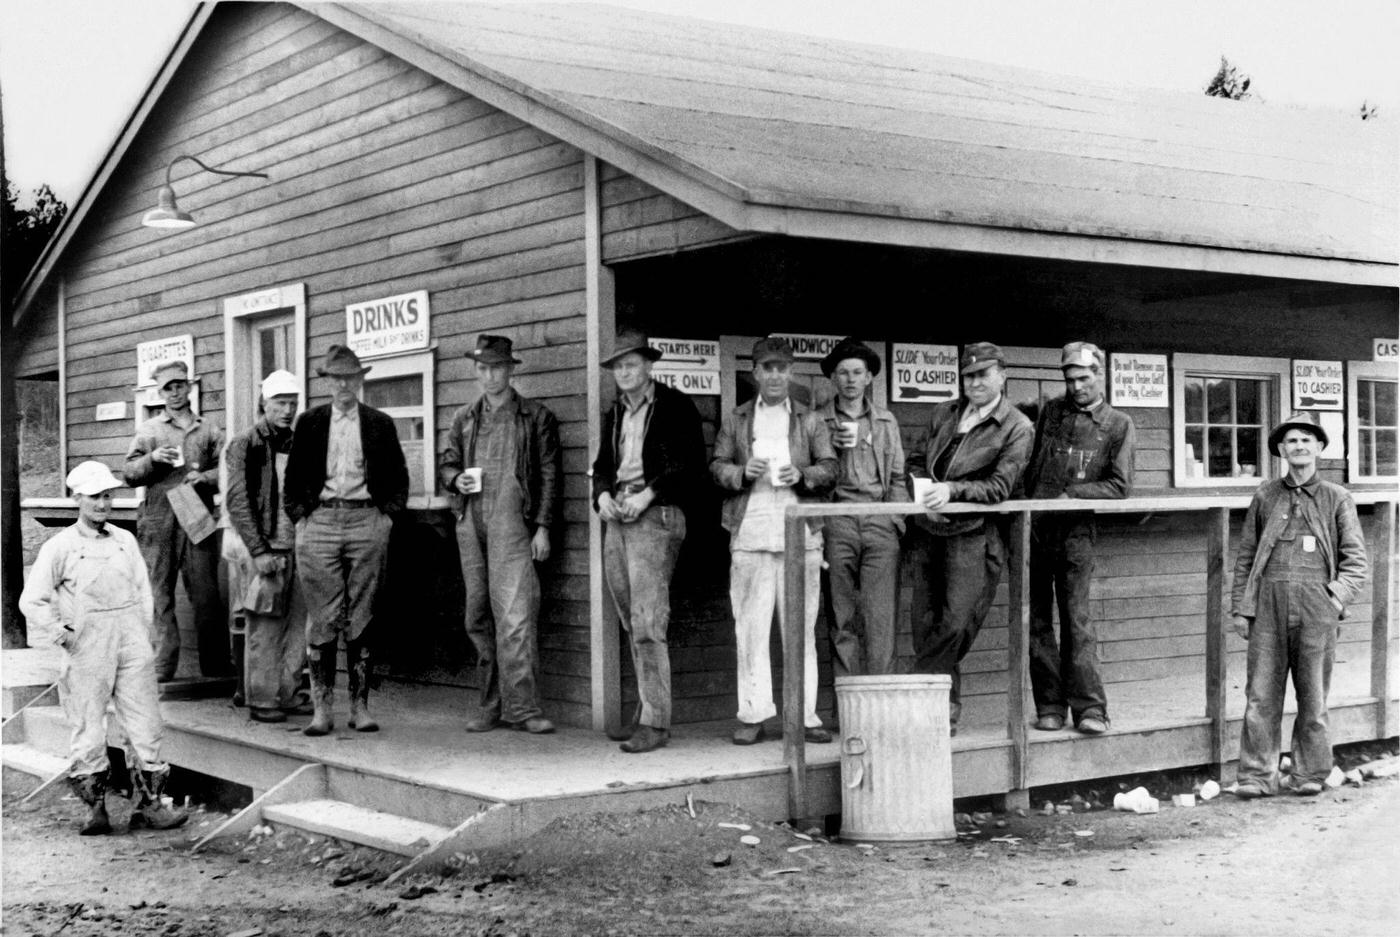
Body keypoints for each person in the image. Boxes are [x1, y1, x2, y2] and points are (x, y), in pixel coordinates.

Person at [19, 461, 189, 835]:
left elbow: (144, 592)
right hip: (88, 644)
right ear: (78, 498)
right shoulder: (60, 547)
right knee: (88, 725)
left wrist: (141, 633)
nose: (102, 503)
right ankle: (95, 808)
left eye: (107, 495)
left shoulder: (125, 541)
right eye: (95, 496)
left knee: (145, 722)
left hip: (130, 640)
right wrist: (61, 633)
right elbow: (32, 600)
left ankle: (149, 805)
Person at [1230, 412, 1368, 798]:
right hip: (1269, 604)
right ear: (1281, 449)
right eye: (1292, 440)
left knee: (1313, 696)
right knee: (1260, 695)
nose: (1299, 446)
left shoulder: (1337, 498)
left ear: (1320, 447)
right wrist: (1242, 608)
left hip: (1316, 605)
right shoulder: (1265, 495)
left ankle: (1309, 773)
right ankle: (1257, 776)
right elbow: (1246, 556)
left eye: (1307, 439)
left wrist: (1334, 597)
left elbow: (1355, 560)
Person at [711, 336, 839, 745]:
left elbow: (831, 467)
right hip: (750, 535)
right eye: (767, 368)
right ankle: (753, 714)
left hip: (800, 536)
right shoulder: (736, 419)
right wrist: (740, 472)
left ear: (791, 372)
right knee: (750, 629)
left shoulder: (810, 419)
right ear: (755, 373)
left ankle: (803, 716)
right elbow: (716, 466)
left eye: (782, 368)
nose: (775, 375)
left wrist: (803, 476)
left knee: (800, 631)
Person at [907, 342, 1033, 734]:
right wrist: (920, 490)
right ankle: (941, 713)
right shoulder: (944, 413)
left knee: (956, 624)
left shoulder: (1017, 426)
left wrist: (952, 491)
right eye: (968, 375)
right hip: (930, 531)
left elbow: (999, 487)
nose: (975, 382)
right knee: (925, 624)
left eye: (983, 374)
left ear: (1002, 375)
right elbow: (914, 460)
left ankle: (914, 690)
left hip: (975, 537)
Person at [591, 328, 707, 753]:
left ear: (649, 365)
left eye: (631, 364)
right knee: (630, 618)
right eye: (618, 366)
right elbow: (603, 465)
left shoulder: (675, 407)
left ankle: (656, 723)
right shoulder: (615, 412)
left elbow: (690, 466)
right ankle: (646, 710)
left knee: (647, 621)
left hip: (656, 517)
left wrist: (648, 494)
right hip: (619, 518)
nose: (623, 371)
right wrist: (602, 495)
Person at [439, 334, 562, 735]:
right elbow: (447, 466)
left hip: (514, 524)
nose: (489, 375)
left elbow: (548, 474)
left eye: (496, 367)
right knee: (478, 616)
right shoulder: (464, 418)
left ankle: (523, 708)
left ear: (510, 370)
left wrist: (542, 527)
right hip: (471, 523)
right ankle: (490, 705)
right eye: (482, 368)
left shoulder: (535, 416)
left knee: (514, 617)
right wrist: (456, 479)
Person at [284, 345, 408, 736]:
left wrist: (385, 517)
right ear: (327, 382)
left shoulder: (379, 424)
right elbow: (292, 482)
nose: (343, 385)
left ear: (360, 381)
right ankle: (322, 710)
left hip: (365, 520)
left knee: (363, 613)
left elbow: (399, 478)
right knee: (322, 615)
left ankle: (360, 706)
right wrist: (301, 518)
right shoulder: (309, 423)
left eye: (350, 378)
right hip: (319, 521)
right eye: (336, 379)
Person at [1023, 342, 1135, 735]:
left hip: (1075, 533)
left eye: (1084, 378)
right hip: (1035, 528)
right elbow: (1030, 462)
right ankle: (1050, 706)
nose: (1076, 386)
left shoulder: (1118, 423)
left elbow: (1120, 486)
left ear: (1099, 375)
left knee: (1077, 620)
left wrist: (1073, 494)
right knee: (1035, 621)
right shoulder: (1051, 412)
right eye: (1070, 379)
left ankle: (1090, 709)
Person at [122, 360, 229, 682]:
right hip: (159, 520)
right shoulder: (150, 430)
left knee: (207, 594)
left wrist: (205, 477)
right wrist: (152, 459)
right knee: (159, 594)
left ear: (189, 387)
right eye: (168, 387)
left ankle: (216, 666)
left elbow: (229, 472)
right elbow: (128, 474)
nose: (175, 392)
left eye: (179, 385)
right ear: (160, 391)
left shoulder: (209, 430)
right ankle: (163, 665)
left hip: (196, 516)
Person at [223, 369, 310, 724]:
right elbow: (238, 501)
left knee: (297, 625)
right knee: (265, 625)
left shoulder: (300, 442)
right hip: (265, 548)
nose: (287, 410)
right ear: (264, 403)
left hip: (299, 546)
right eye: (280, 403)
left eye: (293, 403)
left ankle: (288, 693)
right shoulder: (245, 443)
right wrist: (259, 551)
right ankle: (262, 698)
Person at [817, 337, 907, 678]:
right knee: (842, 617)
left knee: (881, 617)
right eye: (843, 373)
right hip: (837, 520)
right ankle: (848, 706)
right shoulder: (817, 421)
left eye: (857, 372)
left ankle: (879, 703)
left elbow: (897, 476)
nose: (851, 379)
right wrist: (831, 450)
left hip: (879, 519)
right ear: (833, 378)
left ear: (869, 377)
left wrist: (896, 521)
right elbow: (808, 475)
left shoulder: (886, 422)